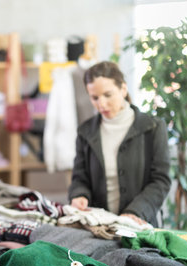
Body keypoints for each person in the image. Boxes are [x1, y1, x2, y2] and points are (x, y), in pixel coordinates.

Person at [68, 61, 171, 227]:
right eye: (95, 98)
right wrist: (79, 195)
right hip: (98, 228)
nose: (101, 104)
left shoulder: (153, 128)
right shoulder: (85, 132)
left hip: (140, 224)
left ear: (123, 89)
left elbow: (160, 181)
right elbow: (80, 178)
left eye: (108, 95)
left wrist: (135, 211)